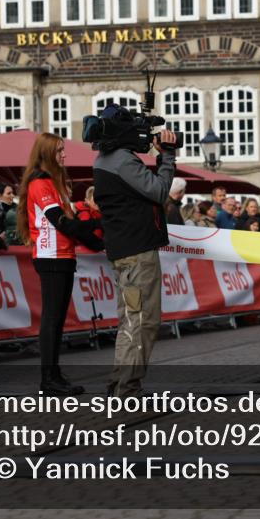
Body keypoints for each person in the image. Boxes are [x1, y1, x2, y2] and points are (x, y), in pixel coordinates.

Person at [93, 106, 178, 398]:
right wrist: (167, 156)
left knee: (130, 319)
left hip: (124, 252)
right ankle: (128, 388)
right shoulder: (122, 161)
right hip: (138, 254)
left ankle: (120, 383)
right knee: (144, 320)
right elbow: (158, 191)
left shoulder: (105, 159)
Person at [17, 134, 104, 395]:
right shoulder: (40, 183)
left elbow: (70, 222)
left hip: (63, 255)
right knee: (52, 318)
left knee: (57, 319)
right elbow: (62, 223)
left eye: (63, 150)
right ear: (45, 154)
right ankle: (48, 378)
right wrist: (99, 225)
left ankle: (53, 374)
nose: (64, 155)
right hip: (51, 255)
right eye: (59, 151)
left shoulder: (54, 184)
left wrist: (100, 242)